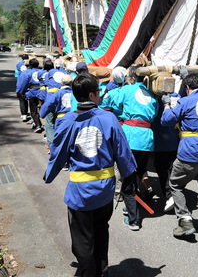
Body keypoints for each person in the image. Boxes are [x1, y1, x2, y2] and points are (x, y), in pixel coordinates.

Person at [44, 73, 137, 277]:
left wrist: (49, 175)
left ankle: (88, 272)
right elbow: (122, 150)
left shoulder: (68, 120)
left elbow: (57, 152)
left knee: (82, 238)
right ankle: (100, 269)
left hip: (80, 192)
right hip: (105, 190)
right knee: (101, 230)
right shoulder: (108, 118)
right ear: (93, 94)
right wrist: (129, 177)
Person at [161, 72, 198, 251]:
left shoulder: (184, 102)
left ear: (187, 88)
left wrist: (166, 104)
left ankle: (185, 220)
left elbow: (166, 120)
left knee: (176, 185)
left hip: (189, 153)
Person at [100, 67, 159, 231]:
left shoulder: (125, 89)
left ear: (131, 77)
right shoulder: (152, 94)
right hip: (147, 137)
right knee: (139, 172)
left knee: (128, 177)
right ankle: (130, 206)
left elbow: (109, 102)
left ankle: (133, 219)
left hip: (130, 136)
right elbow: (154, 114)